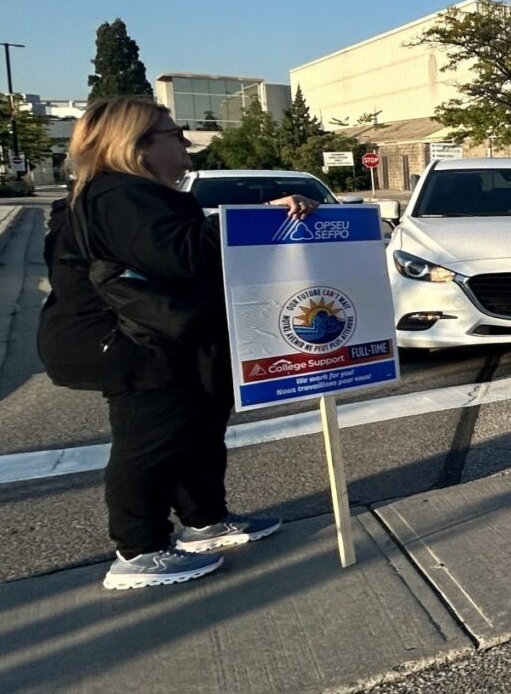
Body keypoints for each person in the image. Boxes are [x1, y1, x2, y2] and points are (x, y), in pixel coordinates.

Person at [38, 97, 308, 591]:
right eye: (173, 133)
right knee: (150, 440)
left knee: (197, 429)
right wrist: (254, 221)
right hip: (132, 341)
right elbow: (181, 256)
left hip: (168, 336)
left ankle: (205, 520)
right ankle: (139, 550)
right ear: (137, 145)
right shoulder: (118, 196)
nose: (185, 141)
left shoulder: (128, 193)